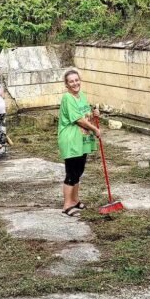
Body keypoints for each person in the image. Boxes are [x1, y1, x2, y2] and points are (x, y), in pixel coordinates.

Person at [57, 70, 100, 217]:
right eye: (71, 81)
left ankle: (75, 200)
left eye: (77, 80)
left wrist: (94, 115)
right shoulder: (67, 98)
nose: (75, 83)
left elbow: (86, 116)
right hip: (71, 140)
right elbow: (78, 120)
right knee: (72, 172)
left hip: (81, 140)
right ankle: (67, 205)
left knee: (79, 171)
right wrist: (95, 129)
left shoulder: (82, 95)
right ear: (66, 84)